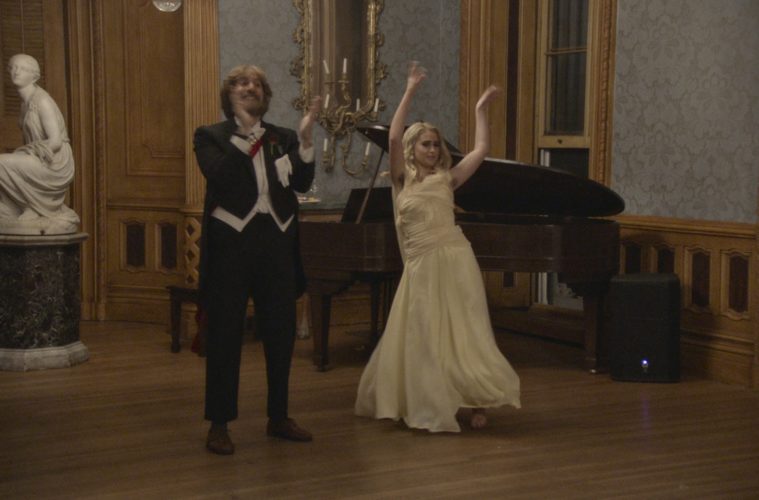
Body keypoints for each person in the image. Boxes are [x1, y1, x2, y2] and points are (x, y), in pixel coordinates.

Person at [355, 62, 521, 432]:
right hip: (422, 266)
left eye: (436, 144)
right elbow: (393, 138)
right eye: (426, 144)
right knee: (426, 335)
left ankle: (478, 401)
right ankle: (427, 399)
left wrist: (480, 110)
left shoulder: (448, 178)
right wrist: (410, 89)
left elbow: (481, 149)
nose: (432, 149)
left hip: (457, 260)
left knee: (466, 332)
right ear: (413, 148)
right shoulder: (402, 179)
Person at [193, 64, 320, 454]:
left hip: (277, 242)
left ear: (265, 95)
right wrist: (244, 135)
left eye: (257, 84)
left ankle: (278, 416)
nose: (250, 88)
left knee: (280, 334)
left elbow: (301, 183)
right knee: (225, 335)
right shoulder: (210, 135)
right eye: (241, 83)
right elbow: (220, 176)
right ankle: (219, 424)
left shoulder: (282, 137)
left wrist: (305, 141)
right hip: (231, 243)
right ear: (228, 94)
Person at [0, 54, 79, 235]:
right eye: (13, 67)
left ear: (34, 76)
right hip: (38, 156)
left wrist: (28, 153)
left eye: (23, 69)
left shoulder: (42, 101)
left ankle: (32, 206)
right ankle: (27, 206)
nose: (16, 72)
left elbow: (56, 142)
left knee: (1, 163)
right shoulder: (24, 104)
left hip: (54, 161)